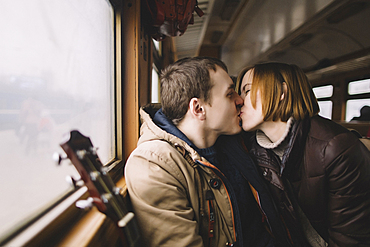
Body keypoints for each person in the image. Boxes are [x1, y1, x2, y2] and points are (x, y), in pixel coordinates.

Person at [125, 57, 293, 247]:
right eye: (230, 94)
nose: (240, 100)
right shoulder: (154, 164)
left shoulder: (237, 141)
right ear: (198, 109)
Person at [237, 62, 370, 247]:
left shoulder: (336, 149)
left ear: (280, 92)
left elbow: (351, 239)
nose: (239, 100)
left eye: (248, 91)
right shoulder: (250, 148)